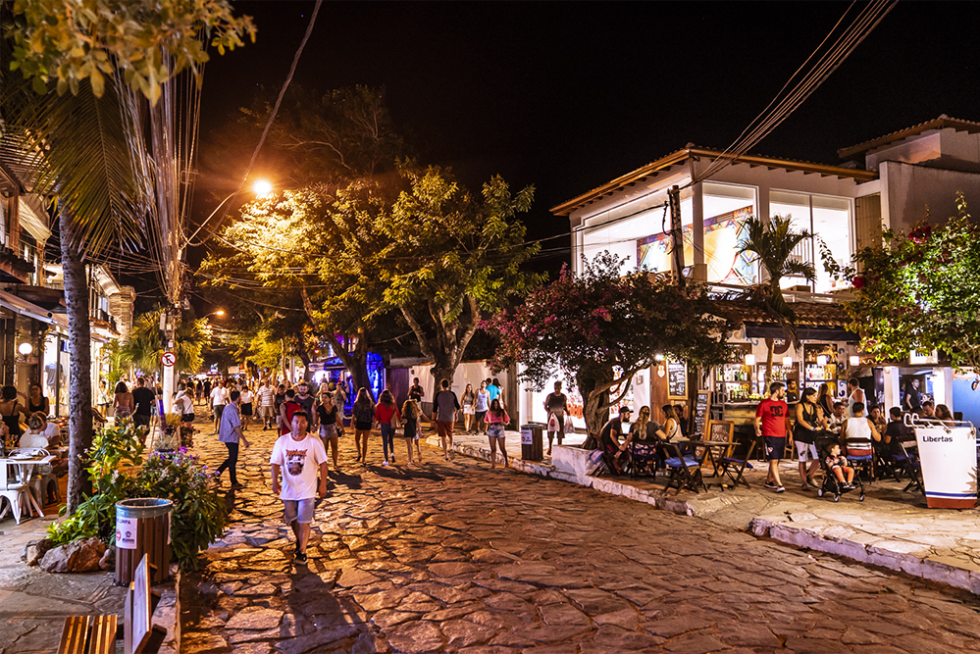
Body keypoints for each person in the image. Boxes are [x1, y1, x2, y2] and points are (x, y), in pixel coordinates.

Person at [270, 410, 328, 565]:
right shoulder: (282, 442)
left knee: (304, 521)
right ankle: (299, 540)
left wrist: (323, 484)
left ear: (307, 424)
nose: (299, 425)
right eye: (296, 422)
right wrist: (275, 482)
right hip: (288, 490)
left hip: (307, 489)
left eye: (302, 422)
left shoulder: (314, 442)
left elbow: (323, 463)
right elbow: (275, 463)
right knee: (293, 519)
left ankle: (302, 551)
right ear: (291, 423)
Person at [755, 382, 789, 493]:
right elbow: (757, 419)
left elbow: (786, 420)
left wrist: (790, 433)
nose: (783, 392)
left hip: (781, 434)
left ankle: (769, 480)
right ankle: (779, 484)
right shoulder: (764, 404)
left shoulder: (784, 404)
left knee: (777, 459)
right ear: (777, 391)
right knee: (774, 459)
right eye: (782, 390)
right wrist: (757, 429)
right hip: (770, 434)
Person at [216, 390, 249, 490]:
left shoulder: (228, 407)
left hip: (227, 436)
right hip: (231, 437)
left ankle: (217, 473)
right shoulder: (233, 410)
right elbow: (236, 427)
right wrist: (244, 439)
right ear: (238, 398)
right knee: (233, 459)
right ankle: (233, 481)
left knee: (231, 458)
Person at [794, 387, 824, 490]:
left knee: (818, 457)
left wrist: (825, 425)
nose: (816, 398)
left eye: (816, 396)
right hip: (801, 434)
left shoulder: (815, 407)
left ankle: (810, 476)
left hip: (813, 434)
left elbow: (821, 419)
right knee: (803, 459)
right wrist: (812, 428)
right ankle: (804, 482)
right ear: (807, 396)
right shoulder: (800, 406)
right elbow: (800, 420)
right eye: (814, 396)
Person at [841, 402, 881, 466]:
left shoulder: (845, 422)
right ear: (862, 411)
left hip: (851, 452)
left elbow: (842, 439)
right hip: (866, 452)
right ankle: (871, 472)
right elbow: (878, 439)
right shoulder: (869, 422)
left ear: (852, 410)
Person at [433, 379, 460, 461]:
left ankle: (446, 455)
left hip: (441, 417)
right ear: (448, 385)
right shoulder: (452, 394)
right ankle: (451, 447)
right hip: (450, 417)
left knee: (443, 437)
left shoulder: (438, 394)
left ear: (441, 385)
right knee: (450, 434)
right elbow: (458, 407)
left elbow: (434, 408)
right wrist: (456, 415)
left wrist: (432, 420)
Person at [600, 406, 632, 475]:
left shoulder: (616, 421)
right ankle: (617, 465)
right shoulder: (616, 423)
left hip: (606, 443)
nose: (629, 416)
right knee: (626, 452)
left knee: (624, 449)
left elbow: (618, 434)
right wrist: (619, 446)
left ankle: (618, 466)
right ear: (622, 414)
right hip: (607, 445)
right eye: (628, 414)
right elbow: (612, 435)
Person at [374, 390, 402, 466]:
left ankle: (386, 460)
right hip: (392, 425)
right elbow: (398, 414)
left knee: (385, 442)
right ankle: (392, 454)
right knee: (391, 440)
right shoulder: (393, 405)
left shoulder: (380, 406)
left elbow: (377, 416)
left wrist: (380, 421)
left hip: (384, 424)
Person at [317, 393, 343, 469]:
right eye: (322, 397)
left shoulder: (334, 407)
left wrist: (342, 427)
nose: (324, 399)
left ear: (329, 398)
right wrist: (315, 425)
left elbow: (337, 417)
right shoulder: (320, 408)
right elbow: (316, 418)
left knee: (334, 447)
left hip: (333, 427)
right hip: (324, 427)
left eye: (325, 397)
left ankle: (335, 464)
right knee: (324, 447)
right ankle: (324, 463)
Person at [485, 398, 511, 469]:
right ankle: (493, 464)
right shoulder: (489, 412)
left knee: (502, 447)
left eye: (497, 404)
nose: (496, 405)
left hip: (500, 428)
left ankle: (506, 461)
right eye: (494, 404)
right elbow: (486, 420)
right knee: (493, 448)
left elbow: (508, 421)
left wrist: (504, 423)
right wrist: (488, 423)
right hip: (492, 428)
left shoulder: (502, 412)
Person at [352, 388, 376, 464]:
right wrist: (374, 423)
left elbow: (354, 414)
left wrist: (352, 422)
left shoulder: (357, 403)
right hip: (367, 422)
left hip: (359, 422)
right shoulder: (370, 403)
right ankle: (363, 459)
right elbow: (373, 414)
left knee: (357, 439)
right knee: (364, 441)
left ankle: (359, 453)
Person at [544, 381, 569, 455]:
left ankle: (559, 447)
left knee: (560, 433)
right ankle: (550, 448)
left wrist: (567, 411)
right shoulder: (550, 396)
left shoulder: (563, 396)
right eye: (555, 388)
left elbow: (564, 405)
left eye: (558, 388)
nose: (556, 389)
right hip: (552, 417)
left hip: (560, 416)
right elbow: (545, 405)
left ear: (561, 388)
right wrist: (549, 412)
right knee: (551, 433)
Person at [401, 398, 423, 464]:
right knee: (415, 444)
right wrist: (419, 431)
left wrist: (402, 422)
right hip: (414, 430)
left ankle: (411, 459)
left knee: (409, 445)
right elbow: (417, 423)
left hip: (407, 430)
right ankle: (414, 456)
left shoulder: (405, 415)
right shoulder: (414, 415)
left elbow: (403, 422)